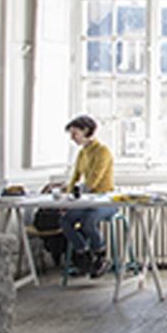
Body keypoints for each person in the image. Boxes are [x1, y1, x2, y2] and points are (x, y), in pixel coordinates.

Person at [43, 115, 117, 279]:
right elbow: (74, 177)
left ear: (85, 131)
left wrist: (75, 196)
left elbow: (93, 181)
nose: (72, 138)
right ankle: (83, 256)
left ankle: (100, 256)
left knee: (88, 221)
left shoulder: (102, 152)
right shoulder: (82, 153)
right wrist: (67, 195)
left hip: (106, 200)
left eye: (74, 133)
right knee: (65, 220)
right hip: (87, 200)